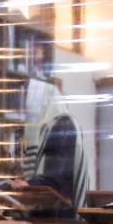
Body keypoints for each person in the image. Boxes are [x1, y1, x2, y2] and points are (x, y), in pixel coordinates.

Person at [11, 79, 89, 216]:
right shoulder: (42, 127)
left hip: (60, 214)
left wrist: (28, 184)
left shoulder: (63, 124)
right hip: (43, 210)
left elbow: (58, 176)